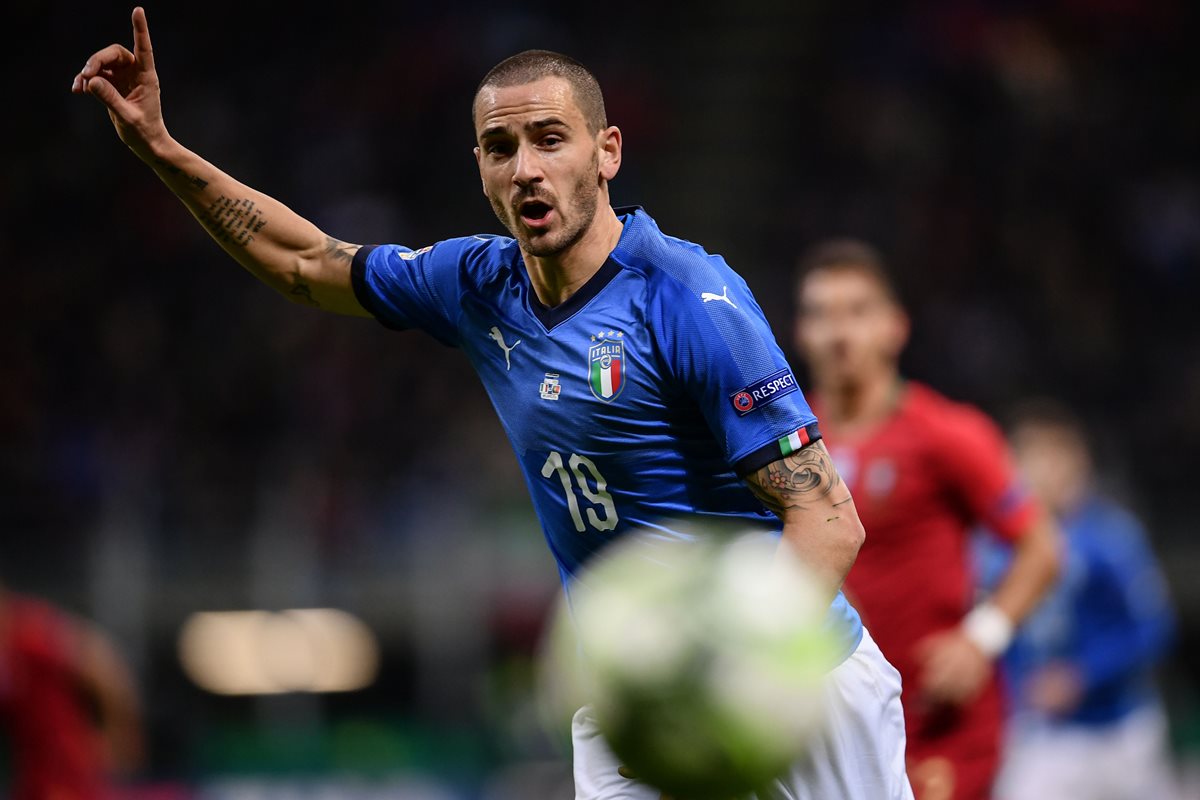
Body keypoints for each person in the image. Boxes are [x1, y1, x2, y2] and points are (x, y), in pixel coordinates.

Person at [73, 9, 913, 798]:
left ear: (608, 151)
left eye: (551, 140)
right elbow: (305, 263)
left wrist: (731, 669)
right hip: (635, 691)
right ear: (478, 167)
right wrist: (159, 148)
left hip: (800, 685)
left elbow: (829, 521)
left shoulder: (688, 297)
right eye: (499, 147)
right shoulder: (477, 283)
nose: (526, 169)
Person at [792, 239, 1061, 800]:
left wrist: (980, 639)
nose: (840, 333)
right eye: (821, 314)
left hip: (938, 725)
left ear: (895, 327)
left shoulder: (948, 434)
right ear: (800, 332)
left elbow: (1041, 548)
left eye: (858, 312)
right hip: (826, 714)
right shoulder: (781, 445)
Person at [985, 401, 1178, 799]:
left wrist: (1083, 675)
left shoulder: (1112, 536)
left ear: (1078, 462)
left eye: (1053, 456)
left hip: (1121, 730)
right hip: (1042, 737)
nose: (1041, 471)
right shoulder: (996, 548)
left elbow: (1154, 626)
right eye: (1030, 456)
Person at [0, 587, 144, 800]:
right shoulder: (10, 650)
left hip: (68, 780)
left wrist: (119, 732)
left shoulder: (31, 633)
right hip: (34, 782)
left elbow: (99, 661)